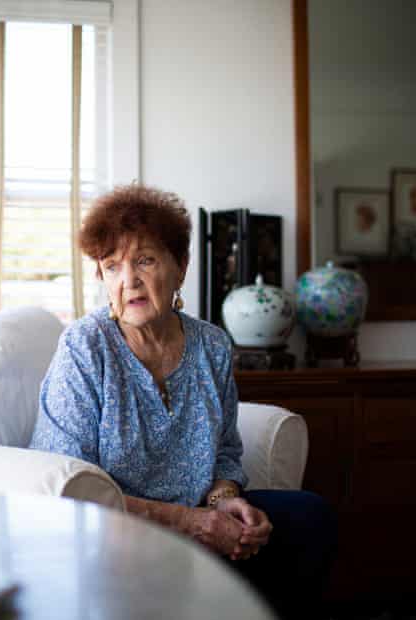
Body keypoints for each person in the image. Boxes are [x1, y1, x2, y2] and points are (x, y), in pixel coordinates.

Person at [30, 183, 336, 618]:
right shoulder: (85, 347)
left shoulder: (211, 346)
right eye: (112, 267)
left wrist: (225, 503)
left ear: (181, 267)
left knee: (309, 518)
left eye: (145, 260)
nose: (128, 281)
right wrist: (189, 523)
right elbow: (69, 486)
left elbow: (226, 455)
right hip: (115, 531)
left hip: (198, 523)